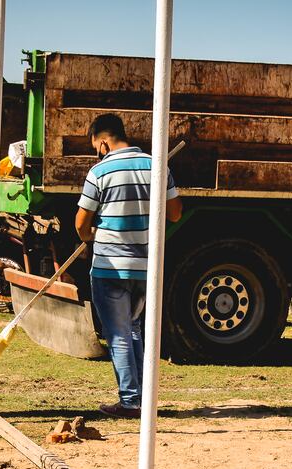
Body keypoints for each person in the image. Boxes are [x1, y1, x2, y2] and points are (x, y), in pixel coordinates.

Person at [75, 114, 182, 418]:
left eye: (96, 146)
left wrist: (91, 236)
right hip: (146, 266)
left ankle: (131, 401)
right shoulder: (157, 165)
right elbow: (175, 213)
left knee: (118, 334)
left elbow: (81, 223)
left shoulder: (99, 171)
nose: (98, 151)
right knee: (134, 328)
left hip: (110, 268)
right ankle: (142, 398)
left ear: (104, 142)